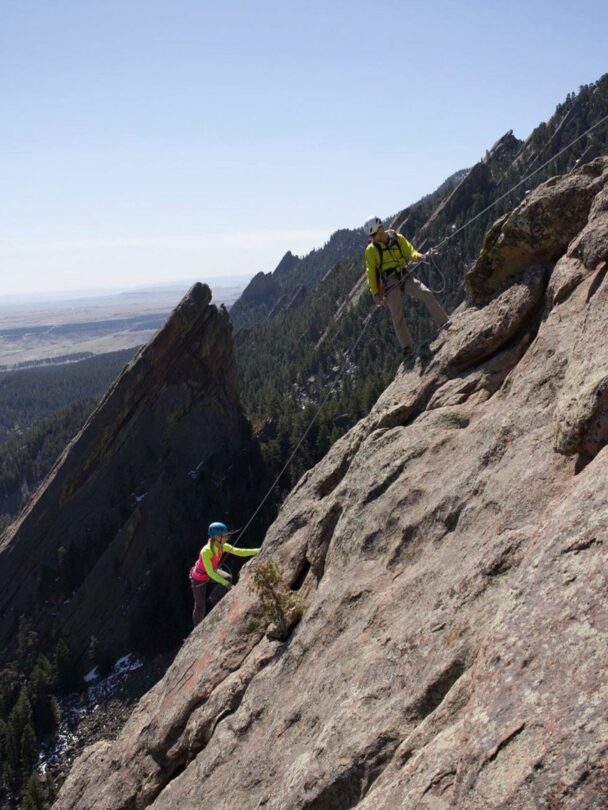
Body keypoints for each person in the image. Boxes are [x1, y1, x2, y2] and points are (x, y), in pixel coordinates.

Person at [363, 216, 448, 360]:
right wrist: (375, 293)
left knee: (426, 293)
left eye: (374, 234)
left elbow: (410, 252)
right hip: (389, 282)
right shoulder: (371, 250)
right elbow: (370, 272)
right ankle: (407, 347)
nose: (373, 238)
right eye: (371, 235)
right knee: (397, 314)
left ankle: (444, 322)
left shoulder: (397, 237)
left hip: (404, 275)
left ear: (382, 229)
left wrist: (421, 257)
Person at [190, 521, 260, 627]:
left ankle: (214, 599)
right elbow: (210, 573)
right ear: (216, 537)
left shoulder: (222, 546)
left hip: (211, 572)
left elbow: (239, 551)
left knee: (227, 577)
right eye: (224, 536)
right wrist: (227, 585)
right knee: (200, 607)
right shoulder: (206, 551)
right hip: (199, 578)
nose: (226, 537)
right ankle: (196, 628)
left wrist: (258, 551)